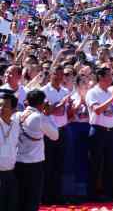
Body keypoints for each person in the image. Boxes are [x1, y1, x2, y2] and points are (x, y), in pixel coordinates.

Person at [15, 89, 59, 211]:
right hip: (34, 164)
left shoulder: (18, 115)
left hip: (17, 161)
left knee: (20, 198)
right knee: (32, 198)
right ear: (42, 103)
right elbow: (55, 136)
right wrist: (48, 115)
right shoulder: (40, 118)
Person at [85, 67, 113, 201]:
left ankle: (110, 192)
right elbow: (97, 110)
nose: (111, 78)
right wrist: (112, 98)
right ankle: (93, 194)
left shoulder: (110, 92)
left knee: (111, 164)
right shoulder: (93, 92)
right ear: (101, 77)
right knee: (96, 164)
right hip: (98, 130)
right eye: (109, 75)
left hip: (111, 131)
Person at [40, 65, 70, 204]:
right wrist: (59, 104)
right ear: (50, 74)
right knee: (48, 165)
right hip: (48, 132)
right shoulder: (43, 91)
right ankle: (46, 197)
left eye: (61, 74)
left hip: (63, 130)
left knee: (60, 165)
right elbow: (46, 111)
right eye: (55, 74)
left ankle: (57, 196)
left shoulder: (65, 91)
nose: (58, 77)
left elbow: (68, 113)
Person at [0, 91, 20, 211]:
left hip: (11, 173)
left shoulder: (16, 125)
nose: (1, 108)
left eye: (5, 106)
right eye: (0, 105)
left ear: (13, 109)